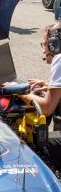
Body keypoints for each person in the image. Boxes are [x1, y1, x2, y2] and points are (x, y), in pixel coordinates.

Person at [14, 23, 61, 170]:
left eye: (45, 44)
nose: (44, 48)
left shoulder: (59, 60)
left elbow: (47, 107)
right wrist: (48, 84)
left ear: (54, 45)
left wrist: (22, 93)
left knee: (34, 143)